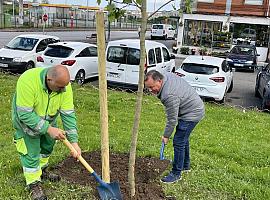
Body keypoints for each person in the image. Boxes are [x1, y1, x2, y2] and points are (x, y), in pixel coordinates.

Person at [12, 65, 82, 200]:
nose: (64, 90)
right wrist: (49, 129)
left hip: (48, 121)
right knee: (31, 152)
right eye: (60, 87)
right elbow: (24, 114)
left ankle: (41, 171)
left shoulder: (64, 87)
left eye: (65, 86)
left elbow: (68, 115)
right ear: (49, 79)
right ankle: (33, 183)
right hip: (26, 123)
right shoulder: (27, 80)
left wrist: (74, 142)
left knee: (47, 147)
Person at [144, 70, 205, 183]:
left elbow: (172, 119)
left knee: (178, 141)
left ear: (159, 81)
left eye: (152, 87)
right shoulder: (163, 75)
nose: (151, 90)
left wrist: (166, 136)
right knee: (183, 138)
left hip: (192, 113)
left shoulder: (169, 95)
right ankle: (185, 166)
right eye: (148, 88)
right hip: (193, 106)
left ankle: (176, 173)